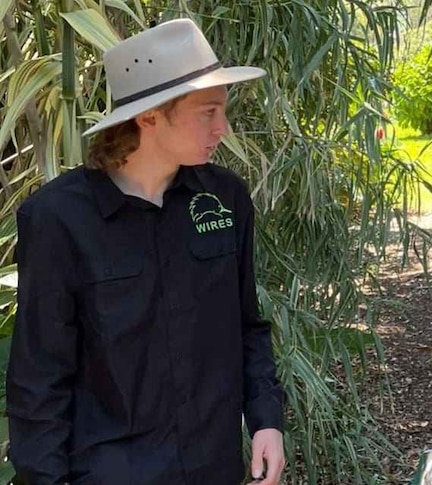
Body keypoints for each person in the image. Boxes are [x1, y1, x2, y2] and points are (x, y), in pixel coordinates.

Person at [7, 19, 286, 484]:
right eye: (208, 112)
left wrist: (267, 418)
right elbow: (38, 382)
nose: (224, 128)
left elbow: (247, 325)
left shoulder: (224, 199)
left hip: (212, 467)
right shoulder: (57, 220)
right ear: (150, 116)